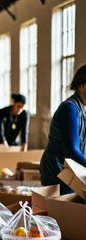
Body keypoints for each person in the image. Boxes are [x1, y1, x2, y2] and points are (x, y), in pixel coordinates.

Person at [40, 65, 86, 195]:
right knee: (63, 210)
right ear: (82, 84)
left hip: (72, 170)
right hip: (58, 170)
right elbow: (72, 151)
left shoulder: (83, 109)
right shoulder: (70, 110)